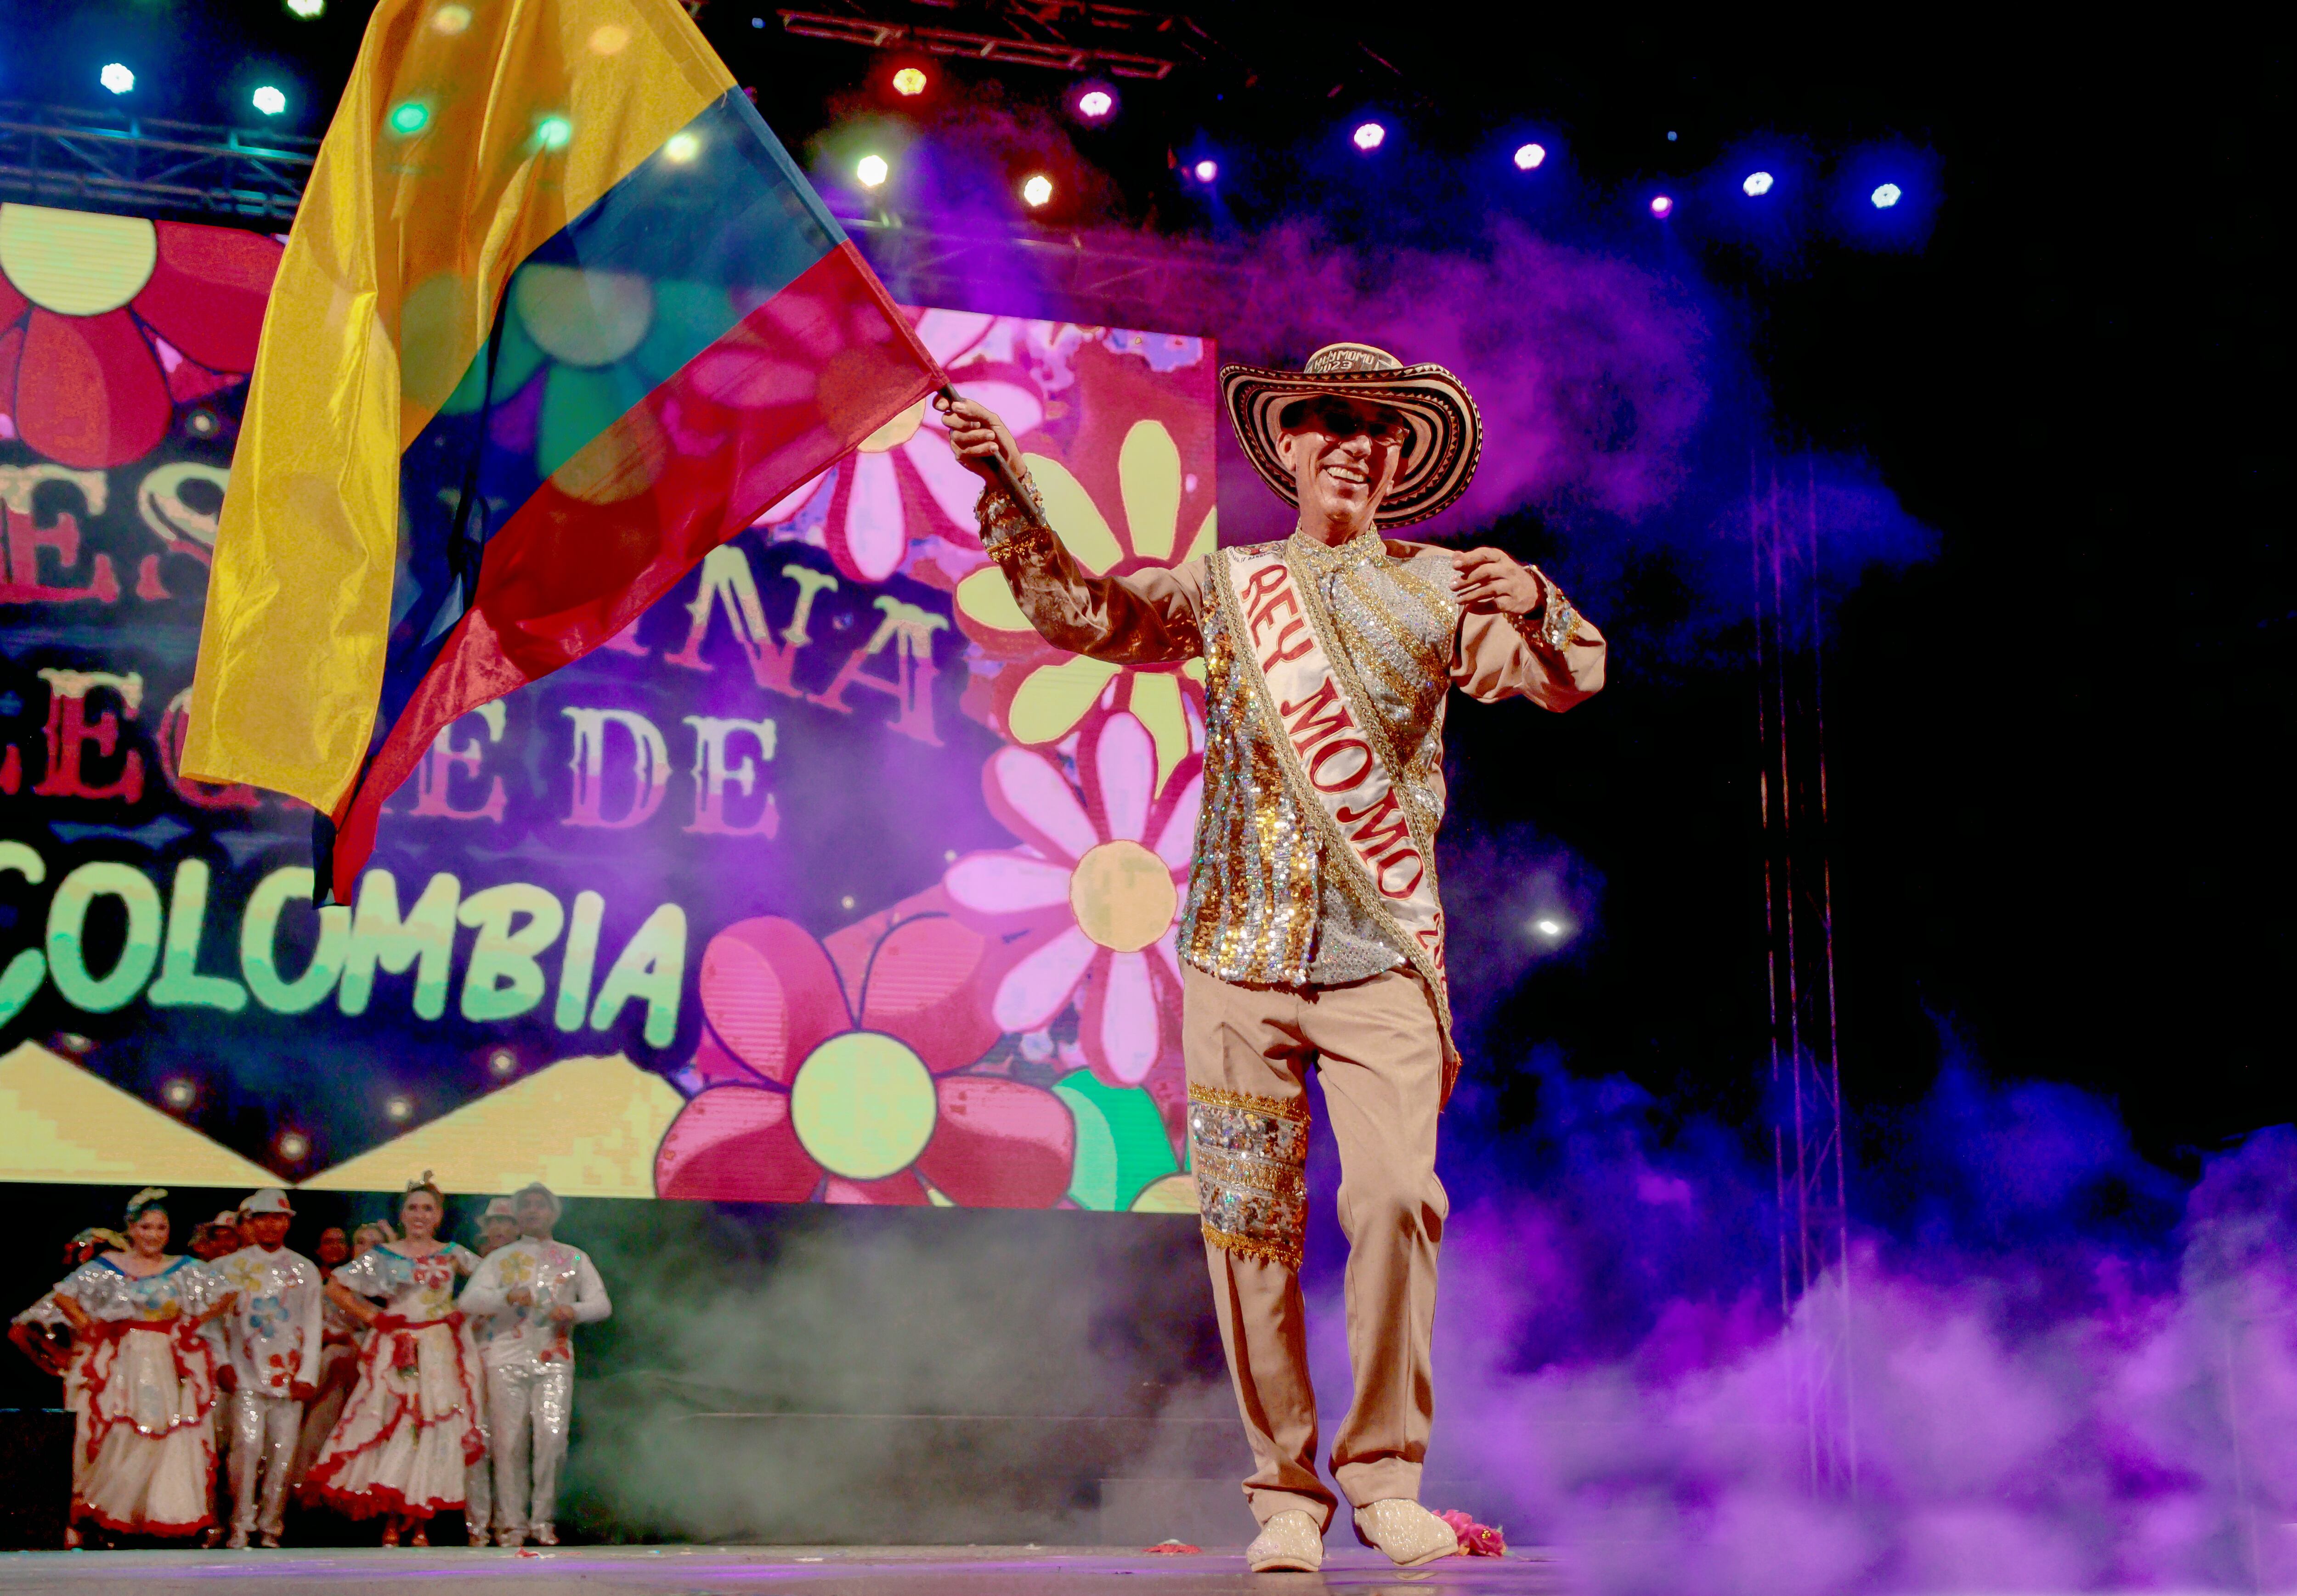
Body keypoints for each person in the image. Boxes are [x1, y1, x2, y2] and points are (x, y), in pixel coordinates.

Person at [941, 344, 1606, 1573]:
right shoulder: (1232, 583)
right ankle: (1284, 1493)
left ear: (1400, 457)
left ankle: (1387, 1472)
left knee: (1400, 1199)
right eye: (1328, 422)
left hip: (1382, 963)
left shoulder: (1443, 586)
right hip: (1237, 958)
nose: (1354, 442)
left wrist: (1540, 602)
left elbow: (1570, 681)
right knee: (1249, 1230)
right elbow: (1094, 616)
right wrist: (1006, 489)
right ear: (1290, 445)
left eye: (1379, 428)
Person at [306, 1176, 485, 1546]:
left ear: (439, 1215)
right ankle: (390, 1518)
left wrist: (463, 1314)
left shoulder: (453, 1252)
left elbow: (491, 1284)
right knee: (394, 1422)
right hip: (397, 1345)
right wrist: (375, 1318)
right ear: (402, 1214)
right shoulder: (384, 1256)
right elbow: (335, 1286)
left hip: (439, 1348)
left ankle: (419, 1521)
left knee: (430, 1426)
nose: (420, 1215)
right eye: (413, 1207)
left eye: (428, 1208)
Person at [51, 1190, 232, 1541]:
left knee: (168, 1431)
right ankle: (109, 1513)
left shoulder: (183, 1268)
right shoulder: (109, 1266)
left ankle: (160, 1512)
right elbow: (63, 1293)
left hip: (166, 1355)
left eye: (161, 1227)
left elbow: (227, 1291)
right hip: (124, 1356)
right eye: (146, 1226)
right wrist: (89, 1326)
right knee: (120, 1429)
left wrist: (194, 1321)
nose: (154, 1234)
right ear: (131, 1229)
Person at [457, 1183, 611, 1548]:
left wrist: (573, 1310)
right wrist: (505, 1295)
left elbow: (602, 1303)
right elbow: (469, 1300)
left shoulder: (575, 1258)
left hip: (554, 1360)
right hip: (506, 1359)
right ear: (517, 1214)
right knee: (509, 1444)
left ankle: (542, 1521)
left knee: (552, 1440)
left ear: (553, 1213)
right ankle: (512, 1525)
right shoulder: (501, 1258)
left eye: (540, 1206)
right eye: (526, 1206)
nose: (533, 1211)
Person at [210, 1190, 323, 1549]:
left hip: (288, 1374)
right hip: (244, 1369)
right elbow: (210, 1322)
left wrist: (307, 1373)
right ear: (250, 1222)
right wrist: (223, 1361)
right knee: (245, 1445)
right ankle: (240, 1523)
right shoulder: (227, 1268)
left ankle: (271, 1526)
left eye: (278, 1217)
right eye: (262, 1217)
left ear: (288, 1222)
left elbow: (314, 1322)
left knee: (282, 1451)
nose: (271, 1224)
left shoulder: (304, 1269)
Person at [12, 1229, 126, 1547]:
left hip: (129, 1373)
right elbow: (23, 1329)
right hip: (88, 1375)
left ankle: (110, 1519)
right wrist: (57, 1362)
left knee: (119, 1443)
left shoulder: (135, 1285)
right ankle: (76, 1521)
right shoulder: (76, 1289)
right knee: (84, 1444)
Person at [459, 1197, 516, 1546]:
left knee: (510, 1445)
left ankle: (510, 1524)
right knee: (477, 1443)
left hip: (514, 1362)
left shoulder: (532, 1272)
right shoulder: (474, 1273)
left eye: (506, 1223)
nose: (499, 1229)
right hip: (475, 1361)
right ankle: (477, 1528)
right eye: (493, 1222)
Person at [289, 1227, 361, 1496]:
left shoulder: (357, 1283)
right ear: (318, 1249)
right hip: (311, 1353)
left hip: (346, 1355)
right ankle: (306, 1481)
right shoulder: (306, 1279)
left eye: (341, 1241)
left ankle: (319, 1482)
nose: (334, 1247)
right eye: (328, 1242)